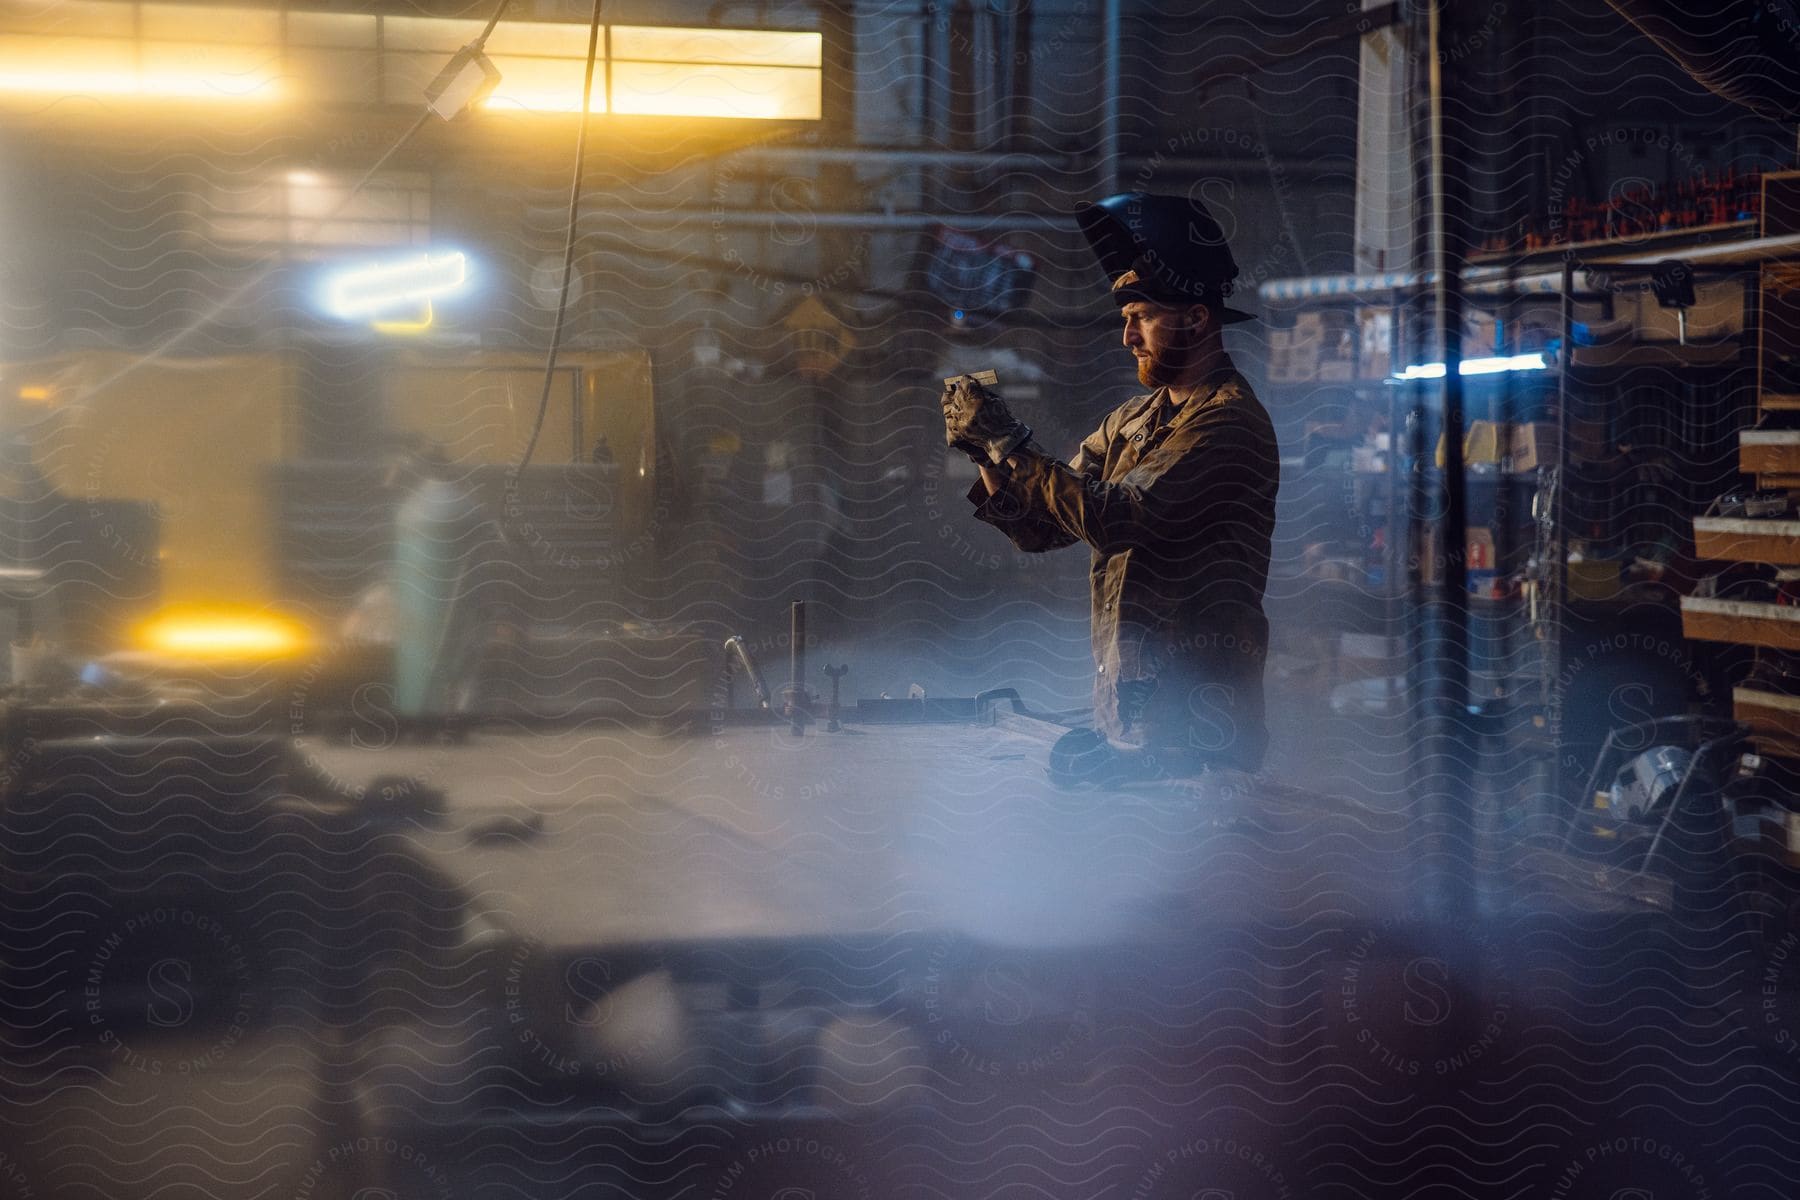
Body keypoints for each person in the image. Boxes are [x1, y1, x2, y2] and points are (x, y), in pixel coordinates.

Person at [942, 192, 1279, 777]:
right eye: (1125, 320)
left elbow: (1115, 518)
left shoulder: (1228, 421)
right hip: (1136, 718)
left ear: (1197, 318)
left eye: (1141, 317)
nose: (1127, 338)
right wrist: (985, 452)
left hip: (1199, 739)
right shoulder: (1133, 420)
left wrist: (1008, 442)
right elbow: (1041, 529)